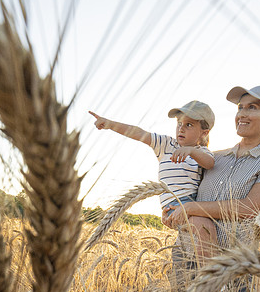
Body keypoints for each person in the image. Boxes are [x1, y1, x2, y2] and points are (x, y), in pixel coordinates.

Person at [163, 86, 260, 292]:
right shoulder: (213, 158)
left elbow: (247, 209)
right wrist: (172, 208)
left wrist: (190, 208)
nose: (242, 114)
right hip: (187, 258)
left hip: (235, 267)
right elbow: (184, 188)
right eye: (240, 108)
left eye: (252, 108)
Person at [90, 101, 218, 263]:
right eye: (179, 123)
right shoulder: (166, 145)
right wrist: (109, 124)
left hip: (192, 204)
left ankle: (209, 271)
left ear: (204, 132)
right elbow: (138, 133)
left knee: (206, 228)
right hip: (174, 206)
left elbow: (210, 163)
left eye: (189, 125)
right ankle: (207, 272)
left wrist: (191, 151)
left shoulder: (202, 152)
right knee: (203, 226)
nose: (181, 128)